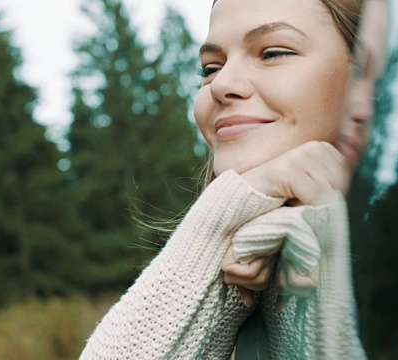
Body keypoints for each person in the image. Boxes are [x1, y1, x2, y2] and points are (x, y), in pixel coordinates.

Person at [80, 0, 382, 358]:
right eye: (210, 67)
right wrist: (217, 235)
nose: (220, 84)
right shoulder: (253, 254)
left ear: (366, 77)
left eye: (272, 53)